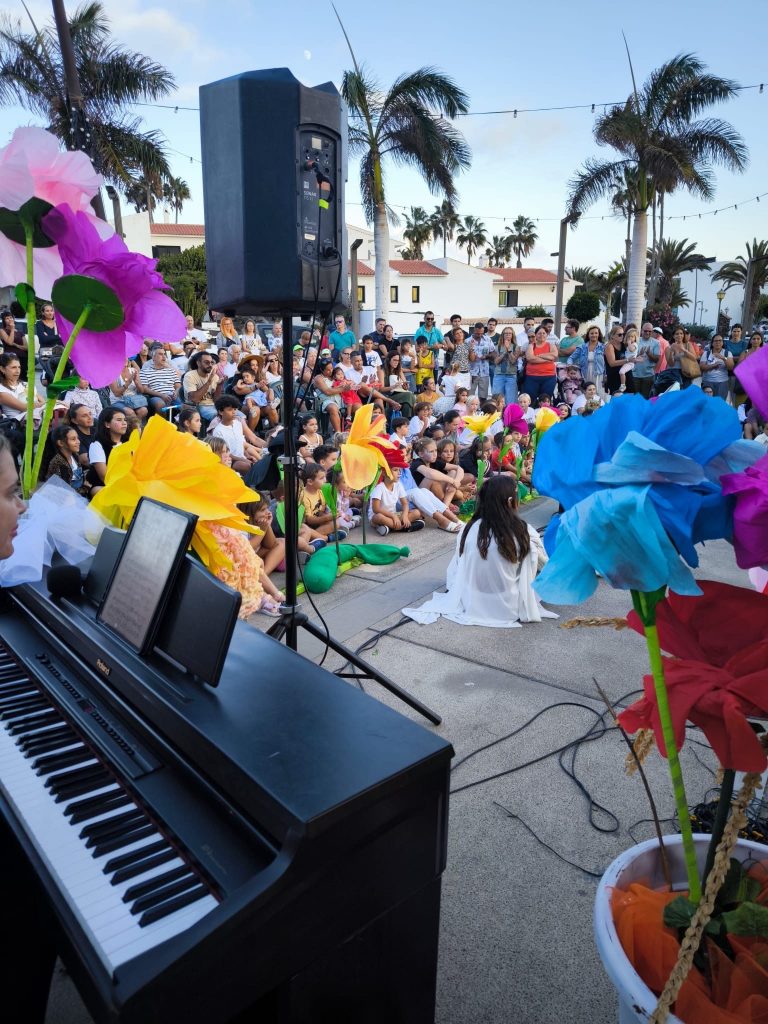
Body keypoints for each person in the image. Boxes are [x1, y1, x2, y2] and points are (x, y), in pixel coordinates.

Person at [402, 475, 557, 627]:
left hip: (472, 600)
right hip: (509, 605)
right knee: (534, 551)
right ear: (510, 502)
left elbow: (458, 566)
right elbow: (543, 567)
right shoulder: (523, 530)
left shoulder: (468, 529)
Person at [212, 395, 263, 474]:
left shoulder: (238, 424)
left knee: (256, 462)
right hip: (229, 461)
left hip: (242, 457)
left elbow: (241, 443)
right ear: (221, 412)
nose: (233, 412)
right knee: (246, 466)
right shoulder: (218, 431)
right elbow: (225, 454)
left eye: (235, 409)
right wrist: (244, 460)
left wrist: (247, 456)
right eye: (229, 410)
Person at [369, 465, 424, 535]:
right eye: (395, 470)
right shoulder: (378, 488)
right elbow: (376, 509)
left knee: (417, 513)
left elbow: (405, 504)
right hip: (379, 516)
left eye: (399, 470)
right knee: (379, 517)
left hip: (393, 515)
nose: (399, 473)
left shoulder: (398, 485)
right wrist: (393, 516)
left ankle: (389, 527)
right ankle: (405, 527)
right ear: (384, 472)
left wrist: (404, 516)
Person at [86, 406, 128, 490]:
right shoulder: (97, 445)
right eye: (119, 420)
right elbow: (104, 477)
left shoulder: (128, 441)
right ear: (107, 424)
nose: (124, 423)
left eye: (125, 420)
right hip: (104, 486)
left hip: (126, 482)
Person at [0, 352, 44, 423]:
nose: (17, 371)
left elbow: (43, 401)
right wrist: (42, 404)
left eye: (19, 367)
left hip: (36, 417)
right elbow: (24, 407)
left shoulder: (25, 384)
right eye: (13, 367)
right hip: (18, 424)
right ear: (2, 369)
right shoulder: (1, 389)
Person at [44, 424, 88, 494]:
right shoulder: (58, 463)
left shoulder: (75, 456)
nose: (78, 442)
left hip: (79, 493)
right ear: (61, 443)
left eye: (77, 438)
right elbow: (62, 491)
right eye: (73, 439)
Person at [183, 350, 222, 425]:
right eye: (206, 362)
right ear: (198, 363)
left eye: (211, 362)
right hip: (199, 406)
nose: (210, 365)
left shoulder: (215, 377)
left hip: (213, 405)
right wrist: (209, 381)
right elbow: (194, 399)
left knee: (238, 416)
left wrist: (219, 386)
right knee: (218, 417)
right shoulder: (190, 376)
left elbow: (216, 400)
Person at [139, 343, 179, 414]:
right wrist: (161, 395)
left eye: (164, 354)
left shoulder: (171, 370)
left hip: (172, 395)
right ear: (153, 357)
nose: (164, 357)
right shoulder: (145, 371)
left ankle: (179, 423)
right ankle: (162, 424)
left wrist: (176, 392)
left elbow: (178, 385)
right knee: (160, 405)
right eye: (160, 354)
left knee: (186, 405)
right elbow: (145, 389)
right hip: (156, 396)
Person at [567, 325, 605, 396]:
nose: (594, 335)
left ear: (599, 334)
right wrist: (570, 366)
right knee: (586, 393)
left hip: (598, 374)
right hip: (585, 373)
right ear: (588, 335)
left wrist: (606, 375)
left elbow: (606, 363)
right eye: (592, 333)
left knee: (598, 393)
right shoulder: (582, 347)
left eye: (596, 333)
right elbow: (571, 358)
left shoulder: (603, 347)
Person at [522, 326, 558, 404]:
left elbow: (554, 356)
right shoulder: (531, 346)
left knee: (546, 400)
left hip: (549, 377)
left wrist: (538, 355)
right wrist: (547, 358)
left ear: (547, 335)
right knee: (531, 400)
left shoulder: (551, 345)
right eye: (539, 333)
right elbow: (530, 358)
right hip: (532, 377)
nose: (541, 335)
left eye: (543, 333)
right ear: (536, 335)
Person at [631, 324, 661, 399]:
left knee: (646, 399)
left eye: (649, 331)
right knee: (635, 399)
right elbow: (629, 357)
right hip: (635, 375)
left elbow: (657, 359)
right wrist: (639, 354)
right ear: (641, 331)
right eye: (645, 331)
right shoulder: (635, 340)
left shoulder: (656, 343)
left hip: (648, 376)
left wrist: (649, 353)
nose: (647, 333)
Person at [699, 334, 733, 399]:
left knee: (720, 404)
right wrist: (713, 366)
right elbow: (702, 367)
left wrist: (723, 358)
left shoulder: (727, 353)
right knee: (707, 403)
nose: (718, 342)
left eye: (720, 340)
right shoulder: (706, 353)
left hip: (722, 382)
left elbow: (731, 367)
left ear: (723, 342)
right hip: (707, 382)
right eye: (716, 341)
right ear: (712, 343)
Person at [604, 325, 635, 395]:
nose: (622, 336)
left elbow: (632, 353)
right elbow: (612, 363)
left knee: (629, 400)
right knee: (617, 401)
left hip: (626, 376)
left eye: (623, 334)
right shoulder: (609, 346)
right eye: (619, 335)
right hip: (615, 377)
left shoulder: (623, 344)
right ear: (612, 336)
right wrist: (627, 360)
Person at [468, 322, 495, 400]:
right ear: (474, 330)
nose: (479, 335)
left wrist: (487, 356)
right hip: (471, 373)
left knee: (483, 397)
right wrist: (471, 355)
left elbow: (493, 352)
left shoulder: (488, 339)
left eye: (481, 333)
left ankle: (483, 411)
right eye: (477, 333)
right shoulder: (467, 341)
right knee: (469, 397)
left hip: (484, 372)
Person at [493, 327, 519, 405]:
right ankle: (498, 415)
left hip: (511, 375)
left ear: (512, 335)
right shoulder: (498, 347)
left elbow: (513, 361)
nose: (508, 335)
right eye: (506, 333)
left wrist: (509, 350)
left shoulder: (516, 347)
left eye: (509, 333)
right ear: (503, 335)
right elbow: (496, 361)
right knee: (497, 398)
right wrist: (504, 352)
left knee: (511, 399)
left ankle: (509, 415)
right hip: (499, 375)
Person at [0, 311, 29, 380]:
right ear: (4, 321)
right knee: (12, 378)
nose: (10, 319)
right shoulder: (2, 330)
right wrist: (12, 329)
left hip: (23, 358)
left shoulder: (20, 332)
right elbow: (9, 342)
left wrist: (16, 345)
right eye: (7, 318)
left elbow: (26, 347)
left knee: (23, 378)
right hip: (10, 357)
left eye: (11, 317)